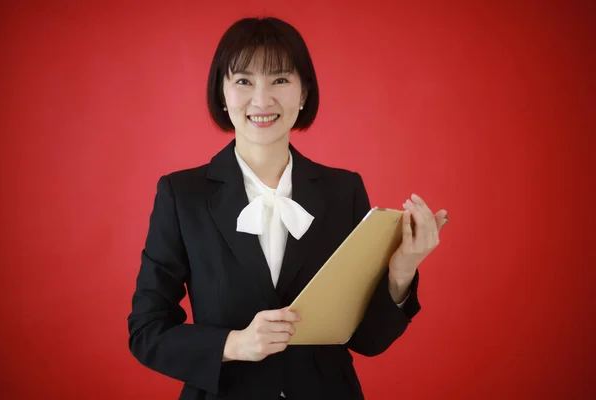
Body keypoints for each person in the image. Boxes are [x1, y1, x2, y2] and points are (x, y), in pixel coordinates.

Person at [128, 16, 448, 400]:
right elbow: (147, 331)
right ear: (222, 92)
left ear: (303, 93)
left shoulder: (343, 190)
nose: (262, 100)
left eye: (280, 80)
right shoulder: (182, 194)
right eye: (244, 81)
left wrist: (402, 270)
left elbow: (368, 341)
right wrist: (234, 344)